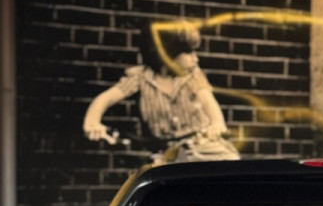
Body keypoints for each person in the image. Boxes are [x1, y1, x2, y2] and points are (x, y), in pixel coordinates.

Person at [82, 20, 239, 161]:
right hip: (166, 152)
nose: (195, 58)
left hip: (204, 147)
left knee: (226, 169)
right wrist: (92, 121)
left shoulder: (192, 75)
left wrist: (217, 123)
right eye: (188, 52)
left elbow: (208, 100)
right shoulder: (140, 77)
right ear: (167, 53)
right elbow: (106, 98)